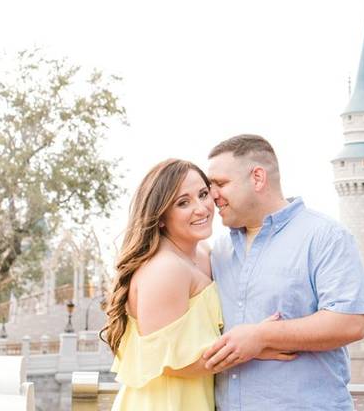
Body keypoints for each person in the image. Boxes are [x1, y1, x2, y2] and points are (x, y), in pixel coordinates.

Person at [203, 134, 364, 410]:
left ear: (258, 178)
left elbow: (351, 323)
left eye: (221, 184)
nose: (212, 196)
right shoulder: (220, 250)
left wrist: (261, 337)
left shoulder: (325, 236)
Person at [102, 159, 292, 411]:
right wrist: (250, 349)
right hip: (165, 403)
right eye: (183, 203)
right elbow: (170, 363)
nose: (202, 208)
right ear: (160, 217)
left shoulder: (203, 252)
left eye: (203, 194)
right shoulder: (164, 269)